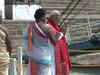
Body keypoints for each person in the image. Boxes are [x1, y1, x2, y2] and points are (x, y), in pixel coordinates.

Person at [23, 8, 64, 75]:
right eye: (45, 16)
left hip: (33, 57)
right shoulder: (47, 28)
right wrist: (61, 34)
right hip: (44, 58)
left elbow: (27, 40)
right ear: (43, 17)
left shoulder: (30, 26)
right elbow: (54, 42)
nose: (46, 18)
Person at [48, 10, 72, 75]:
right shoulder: (49, 27)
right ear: (53, 17)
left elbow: (61, 39)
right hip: (55, 58)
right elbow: (54, 41)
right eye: (58, 18)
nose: (59, 20)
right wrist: (61, 32)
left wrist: (63, 32)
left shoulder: (57, 27)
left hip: (62, 56)